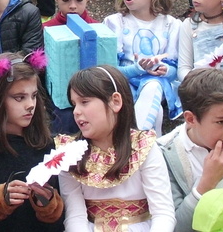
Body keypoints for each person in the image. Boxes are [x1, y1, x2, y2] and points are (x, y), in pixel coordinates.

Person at [57, 65, 176, 231]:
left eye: (84, 102)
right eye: (74, 104)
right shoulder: (69, 154)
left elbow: (163, 213)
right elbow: (75, 216)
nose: (76, 111)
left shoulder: (144, 146)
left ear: (115, 101)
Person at [0, 51, 64, 231]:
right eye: (19, 97)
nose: (30, 104)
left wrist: (48, 205)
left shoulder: (45, 146)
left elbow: (58, 223)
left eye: (33, 96)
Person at [103, 0, 182, 136]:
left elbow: (177, 70)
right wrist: (138, 68)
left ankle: (137, 139)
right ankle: (149, 147)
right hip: (125, 84)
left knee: (153, 85)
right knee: (157, 112)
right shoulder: (114, 22)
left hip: (158, 84)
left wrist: (164, 69)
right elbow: (109, 70)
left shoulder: (171, 25)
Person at [158, 68, 223, 231]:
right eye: (221, 122)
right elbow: (176, 227)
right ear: (190, 119)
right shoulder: (165, 154)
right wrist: (207, 182)